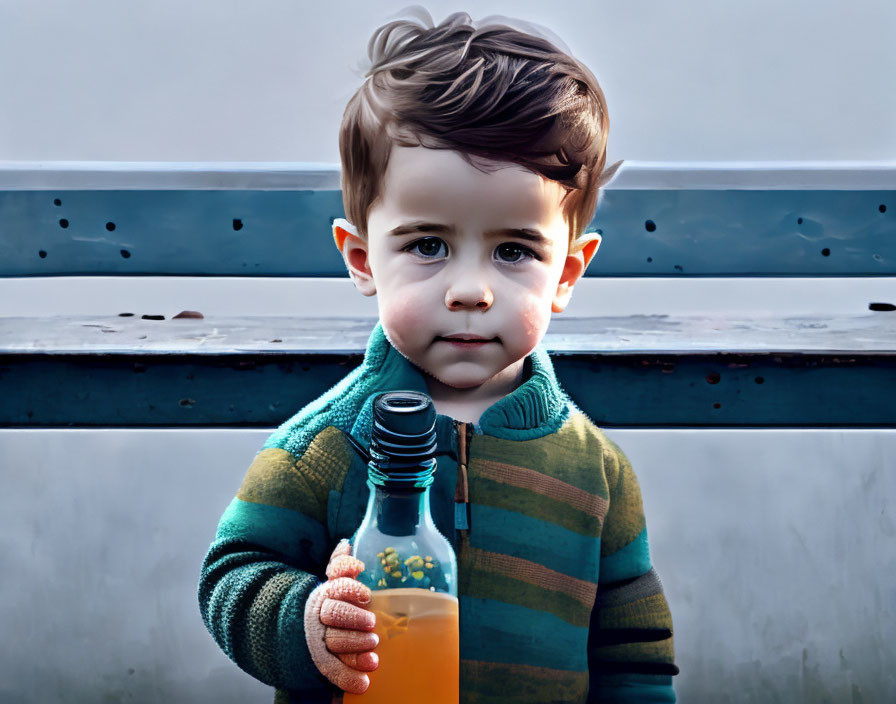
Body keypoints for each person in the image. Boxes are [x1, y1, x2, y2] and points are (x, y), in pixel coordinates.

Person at [198, 7, 678, 703]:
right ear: (363, 260)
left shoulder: (596, 472)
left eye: (514, 251)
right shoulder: (327, 447)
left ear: (567, 276)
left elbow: (634, 652)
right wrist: (305, 622)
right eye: (428, 245)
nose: (472, 290)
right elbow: (234, 573)